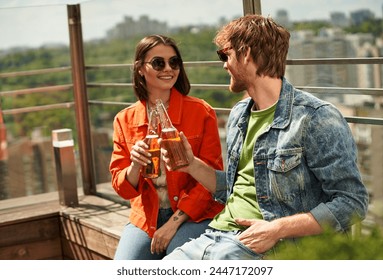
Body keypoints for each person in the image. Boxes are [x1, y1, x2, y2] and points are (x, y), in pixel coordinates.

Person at [162, 15, 369, 260]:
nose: (224, 65)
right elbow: (237, 187)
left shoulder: (315, 118)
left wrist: (276, 229)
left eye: (225, 55)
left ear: (246, 53)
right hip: (215, 236)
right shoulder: (239, 114)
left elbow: (352, 202)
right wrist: (191, 165)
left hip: (269, 246)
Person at [109, 35, 224, 260]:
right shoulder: (124, 120)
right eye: (159, 63)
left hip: (194, 215)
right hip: (145, 218)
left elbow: (211, 180)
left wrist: (174, 223)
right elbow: (121, 188)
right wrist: (134, 166)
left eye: (174, 62)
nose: (168, 69)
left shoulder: (201, 112)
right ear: (140, 68)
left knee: (176, 259)